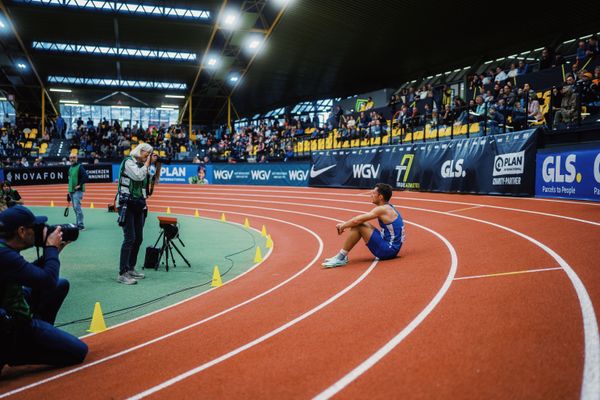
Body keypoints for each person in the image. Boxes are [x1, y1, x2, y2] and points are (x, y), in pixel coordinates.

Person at [0, 206, 88, 368]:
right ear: (21, 231)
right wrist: (51, 249)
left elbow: (32, 275)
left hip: (9, 304)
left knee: (60, 285)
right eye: (35, 228)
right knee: (78, 351)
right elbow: (47, 280)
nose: (40, 231)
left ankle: (38, 336)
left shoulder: (6, 248)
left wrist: (53, 253)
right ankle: (19, 348)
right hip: (10, 322)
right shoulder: (4, 255)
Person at [322, 183, 405, 268]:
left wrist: (342, 226)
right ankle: (341, 256)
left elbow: (357, 220)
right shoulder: (388, 207)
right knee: (361, 223)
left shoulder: (382, 209)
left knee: (359, 224)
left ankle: (341, 257)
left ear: (380, 197)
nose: (371, 195)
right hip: (391, 246)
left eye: (373, 193)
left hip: (388, 250)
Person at [116, 143, 157, 285]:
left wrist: (154, 166)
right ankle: (122, 273)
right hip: (126, 204)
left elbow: (147, 183)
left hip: (138, 204)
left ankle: (131, 268)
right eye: (148, 152)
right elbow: (138, 176)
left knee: (138, 238)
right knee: (129, 238)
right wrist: (147, 163)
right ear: (141, 150)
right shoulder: (128, 162)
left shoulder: (142, 165)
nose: (148, 155)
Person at [68, 154, 87, 230]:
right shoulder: (70, 168)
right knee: (75, 208)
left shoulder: (80, 167)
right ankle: (78, 223)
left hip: (77, 191)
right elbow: (70, 180)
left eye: (74, 158)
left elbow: (85, 176)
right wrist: (68, 191)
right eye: (71, 158)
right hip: (71, 191)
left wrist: (79, 185)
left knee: (77, 207)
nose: (72, 159)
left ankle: (81, 225)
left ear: (77, 159)